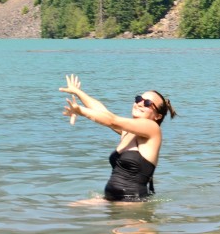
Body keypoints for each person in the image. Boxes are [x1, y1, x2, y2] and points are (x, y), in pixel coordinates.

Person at [60, 74, 176, 202]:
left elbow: (111, 120)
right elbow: (103, 112)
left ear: (158, 116)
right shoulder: (128, 132)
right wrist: (78, 92)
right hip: (111, 199)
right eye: (138, 99)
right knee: (70, 209)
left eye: (148, 103)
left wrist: (81, 111)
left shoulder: (152, 129)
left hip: (133, 203)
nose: (140, 104)